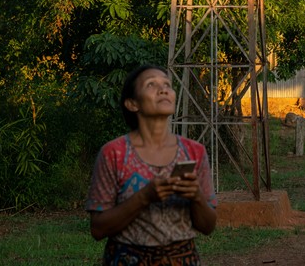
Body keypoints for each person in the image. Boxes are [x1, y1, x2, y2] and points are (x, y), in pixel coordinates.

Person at [85, 65, 217, 265]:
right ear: (132, 103)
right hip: (126, 259)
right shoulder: (114, 153)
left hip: (183, 259)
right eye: (151, 85)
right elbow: (98, 229)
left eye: (167, 85)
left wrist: (197, 197)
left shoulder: (194, 151)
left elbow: (208, 227)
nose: (163, 89)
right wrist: (144, 197)